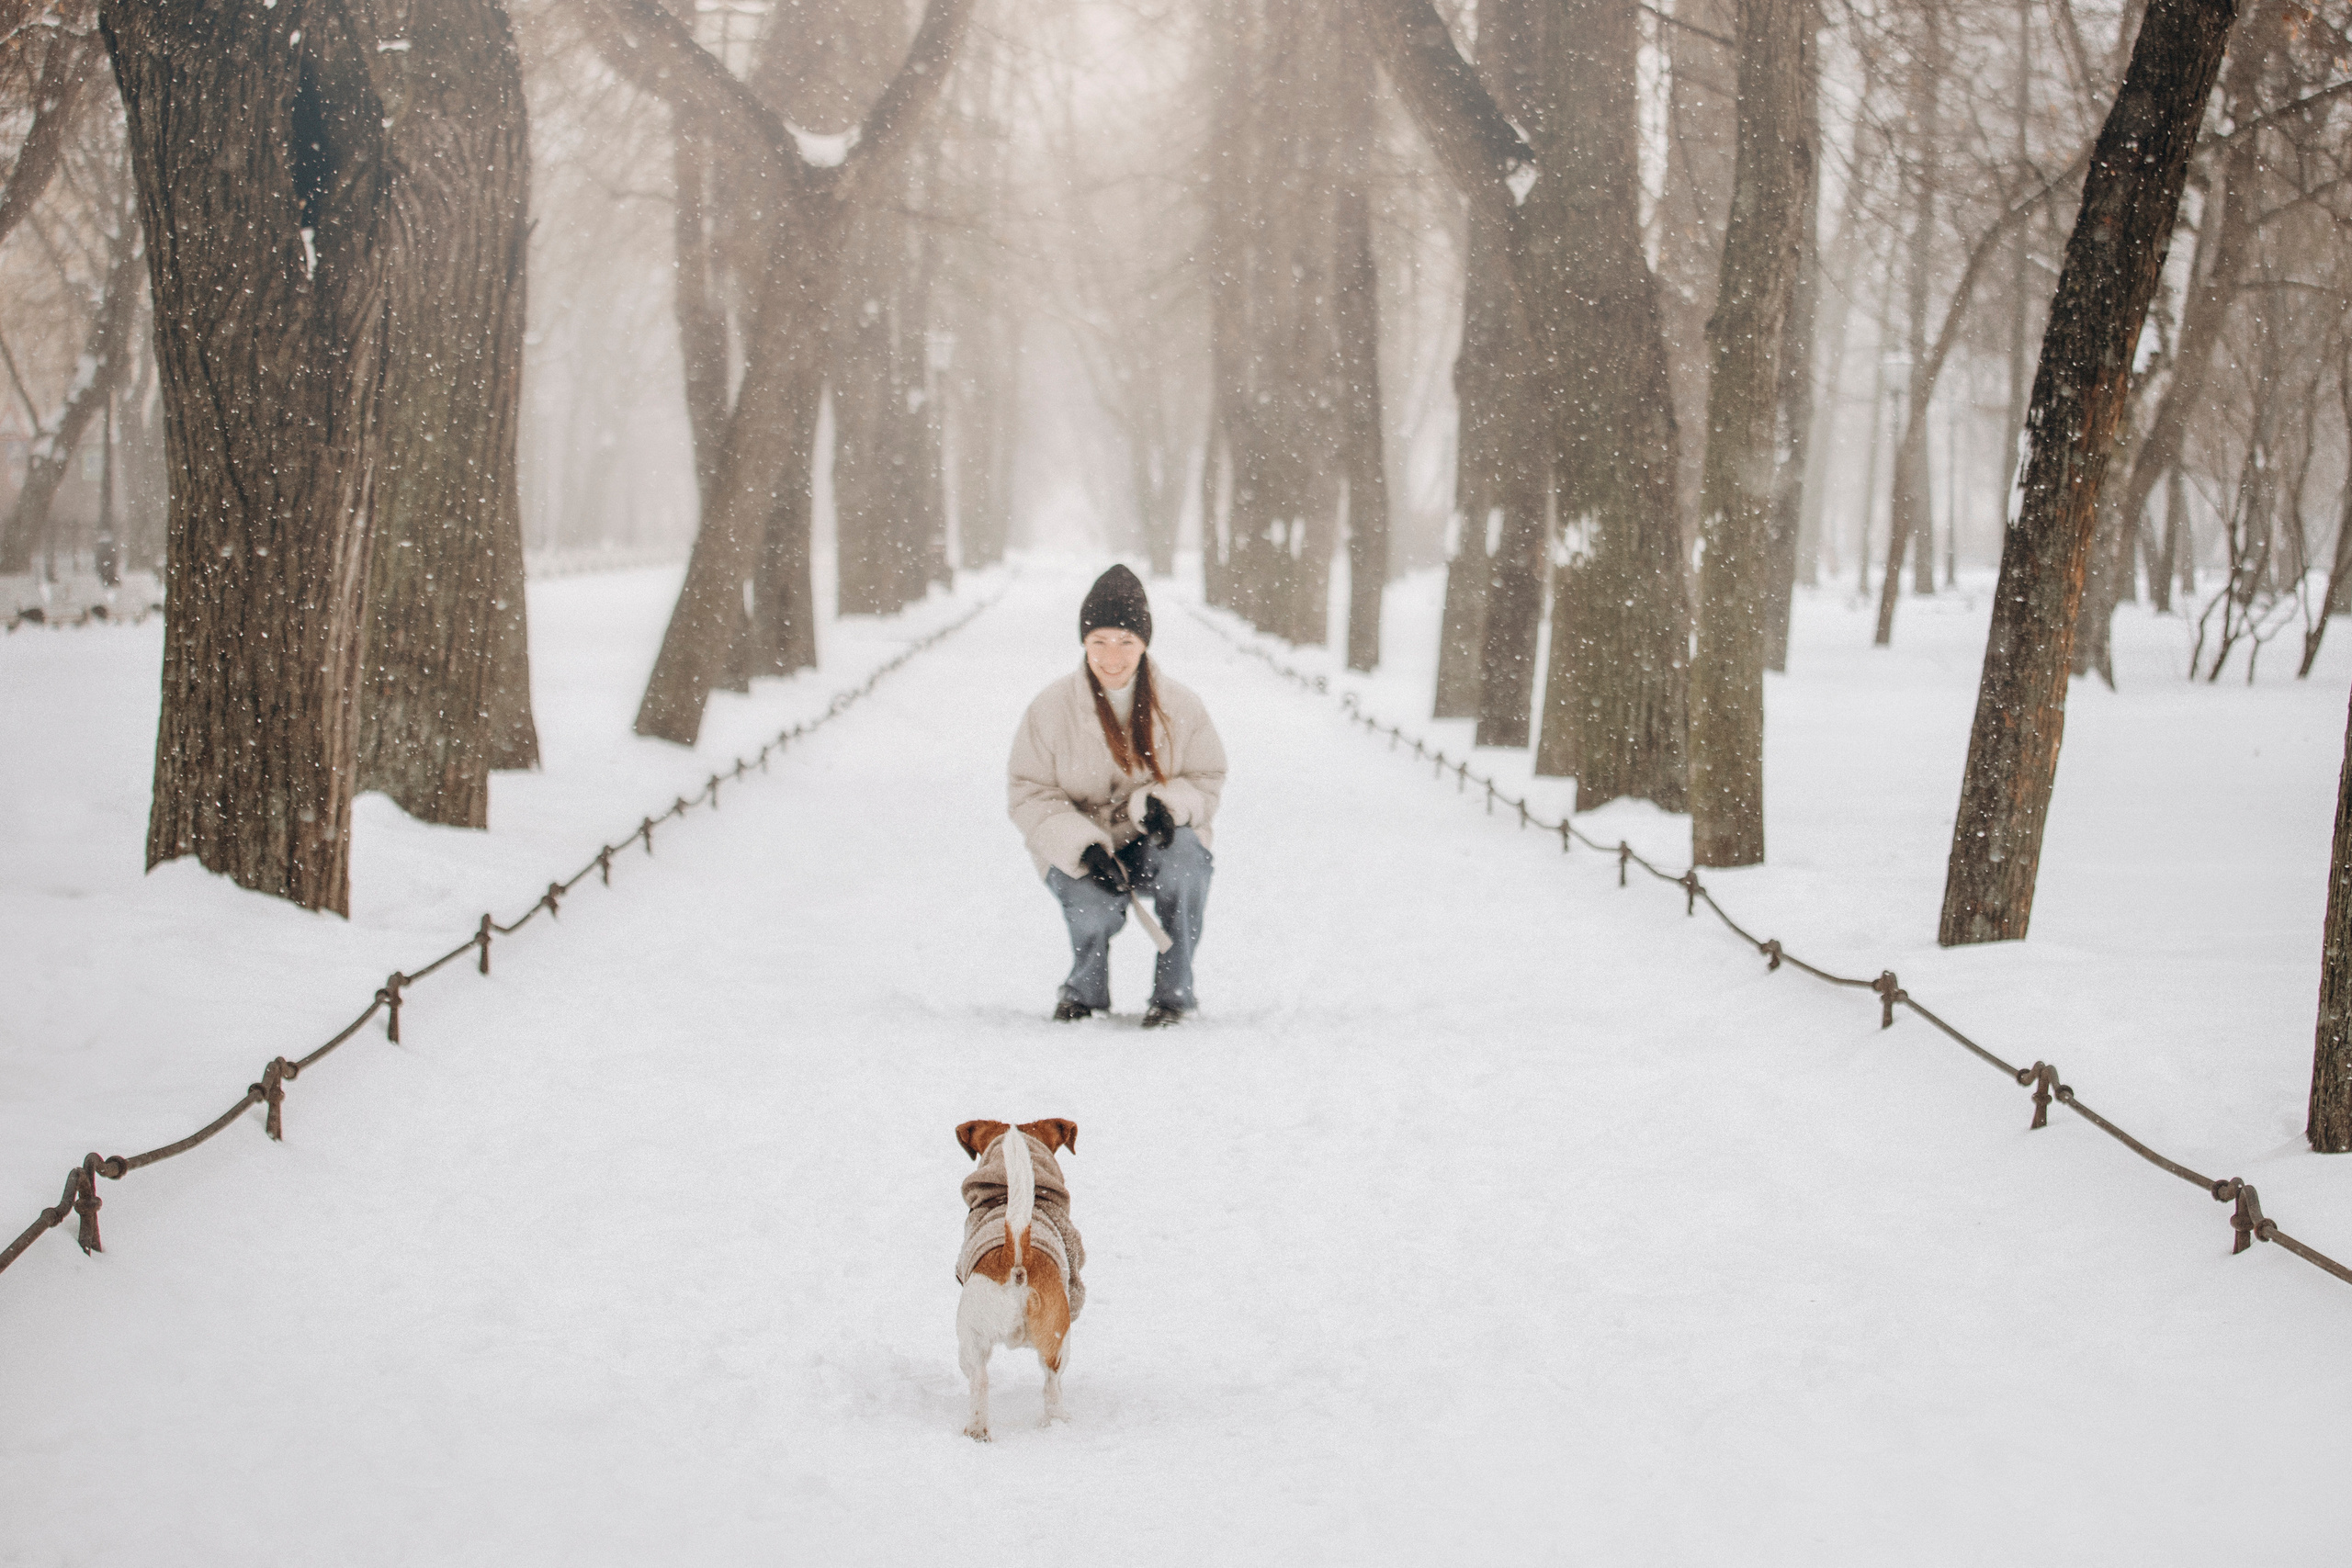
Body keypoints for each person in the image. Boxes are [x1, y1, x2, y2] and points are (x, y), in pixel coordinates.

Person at [1008, 566, 1227, 1027]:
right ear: (1084, 644)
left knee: (1188, 862)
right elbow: (1029, 792)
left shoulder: (1182, 706)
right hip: (1083, 840)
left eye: (1126, 641)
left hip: (1152, 840)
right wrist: (1081, 845)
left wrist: (1167, 806)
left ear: (1145, 644)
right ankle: (1084, 993)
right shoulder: (1049, 709)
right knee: (1092, 908)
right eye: (1099, 642)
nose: (1113, 656)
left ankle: (1174, 994)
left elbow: (1206, 777)